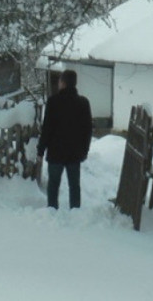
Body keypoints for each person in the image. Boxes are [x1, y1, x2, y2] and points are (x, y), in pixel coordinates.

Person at [37, 69, 93, 209]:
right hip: (75, 153)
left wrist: (40, 150)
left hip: (56, 152)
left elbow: (47, 128)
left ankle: (52, 210)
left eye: (60, 81)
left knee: (53, 184)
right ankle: (75, 212)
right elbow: (88, 130)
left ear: (63, 83)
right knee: (74, 186)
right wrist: (84, 150)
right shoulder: (83, 103)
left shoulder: (53, 102)